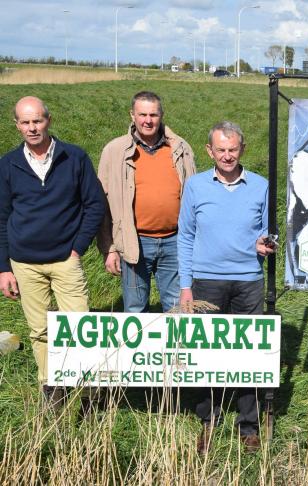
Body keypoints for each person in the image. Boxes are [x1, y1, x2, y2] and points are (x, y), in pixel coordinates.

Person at [0, 96, 105, 407]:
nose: (32, 128)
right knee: (40, 331)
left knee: (81, 327)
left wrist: (77, 248)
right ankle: (52, 390)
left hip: (65, 260)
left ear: (48, 120)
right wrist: (4, 267)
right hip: (24, 263)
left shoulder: (74, 157)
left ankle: (89, 391)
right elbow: (1, 217)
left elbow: (94, 204)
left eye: (37, 120)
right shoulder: (8, 164)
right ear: (17, 125)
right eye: (25, 122)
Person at [177, 121, 275, 454]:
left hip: (248, 280)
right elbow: (185, 236)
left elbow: (269, 232)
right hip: (206, 281)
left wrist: (266, 244)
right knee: (207, 354)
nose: (227, 156)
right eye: (221, 150)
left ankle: (248, 425)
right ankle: (209, 420)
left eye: (233, 149)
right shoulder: (195, 186)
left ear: (242, 149)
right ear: (210, 151)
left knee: (249, 353)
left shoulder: (260, 185)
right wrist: (186, 285)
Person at [98, 91, 195, 312]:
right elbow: (102, 203)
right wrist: (109, 248)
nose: (148, 120)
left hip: (174, 240)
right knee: (135, 307)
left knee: (177, 308)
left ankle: (173, 337)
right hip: (134, 242)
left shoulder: (181, 148)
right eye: (142, 115)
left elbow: (194, 197)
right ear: (132, 115)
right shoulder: (114, 150)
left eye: (153, 115)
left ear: (161, 115)